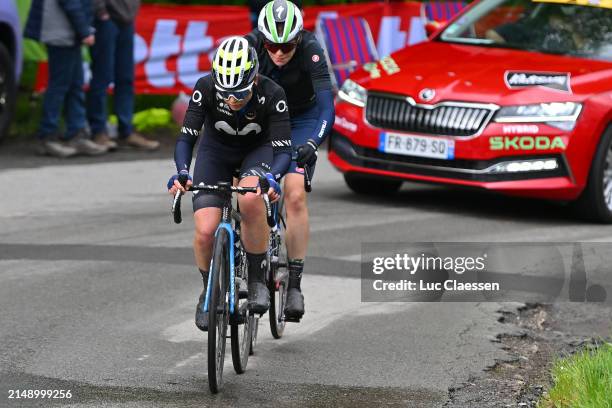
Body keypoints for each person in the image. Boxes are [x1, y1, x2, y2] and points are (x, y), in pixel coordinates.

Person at [167, 36, 292, 331]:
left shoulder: (274, 94)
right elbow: (187, 139)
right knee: (205, 229)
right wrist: (183, 172)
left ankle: (258, 279)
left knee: (249, 200)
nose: (232, 100)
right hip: (216, 152)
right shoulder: (205, 88)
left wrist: (272, 176)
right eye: (226, 93)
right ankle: (208, 290)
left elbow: (284, 150)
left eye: (239, 93)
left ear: (254, 79)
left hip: (258, 152)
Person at [246, 0, 335, 321]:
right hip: (265, 118)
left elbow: (327, 109)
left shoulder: (311, 50)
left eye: (287, 46)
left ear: (299, 38)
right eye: (272, 45)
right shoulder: (250, 45)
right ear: (261, 37)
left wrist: (313, 142)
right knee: (247, 188)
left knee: (295, 194)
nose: (279, 53)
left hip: (301, 121)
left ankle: (294, 284)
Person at [25, 0, 108, 158]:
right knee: (59, 86)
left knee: (75, 84)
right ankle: (47, 135)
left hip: (68, 32)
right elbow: (70, 2)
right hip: (61, 32)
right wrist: (84, 30)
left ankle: (75, 133)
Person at [87, 0, 159, 151]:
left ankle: (126, 132)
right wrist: (100, 11)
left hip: (126, 19)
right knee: (102, 76)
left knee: (125, 78)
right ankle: (98, 131)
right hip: (106, 19)